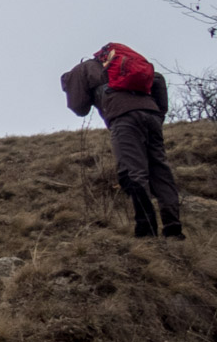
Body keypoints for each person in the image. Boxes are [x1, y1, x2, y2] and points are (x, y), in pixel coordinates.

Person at [61, 43, 183, 239]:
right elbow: (157, 79)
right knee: (160, 170)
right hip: (151, 115)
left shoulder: (82, 70)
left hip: (124, 118)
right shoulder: (125, 62)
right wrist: (158, 114)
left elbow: (79, 107)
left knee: (132, 172)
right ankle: (174, 229)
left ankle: (146, 230)